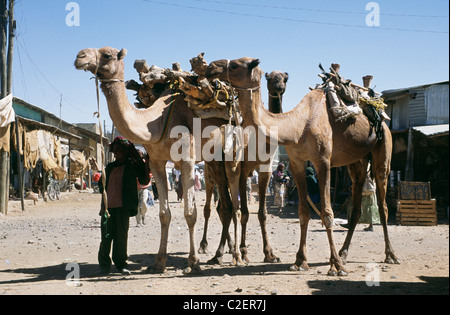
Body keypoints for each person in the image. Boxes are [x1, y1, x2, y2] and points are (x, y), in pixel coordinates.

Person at [97, 137, 150, 275]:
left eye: (118, 150)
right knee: (106, 237)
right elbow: (101, 187)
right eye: (114, 151)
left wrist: (145, 163)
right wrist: (101, 176)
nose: (115, 153)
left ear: (126, 151)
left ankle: (121, 264)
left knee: (121, 237)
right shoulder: (109, 168)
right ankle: (104, 265)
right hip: (108, 208)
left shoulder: (132, 167)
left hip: (123, 207)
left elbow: (144, 179)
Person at [135, 147, 152, 226]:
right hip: (135, 187)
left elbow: (149, 172)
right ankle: (138, 222)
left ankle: (143, 216)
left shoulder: (146, 163)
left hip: (144, 187)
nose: (138, 154)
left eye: (140, 153)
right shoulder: (134, 163)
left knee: (144, 203)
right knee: (137, 205)